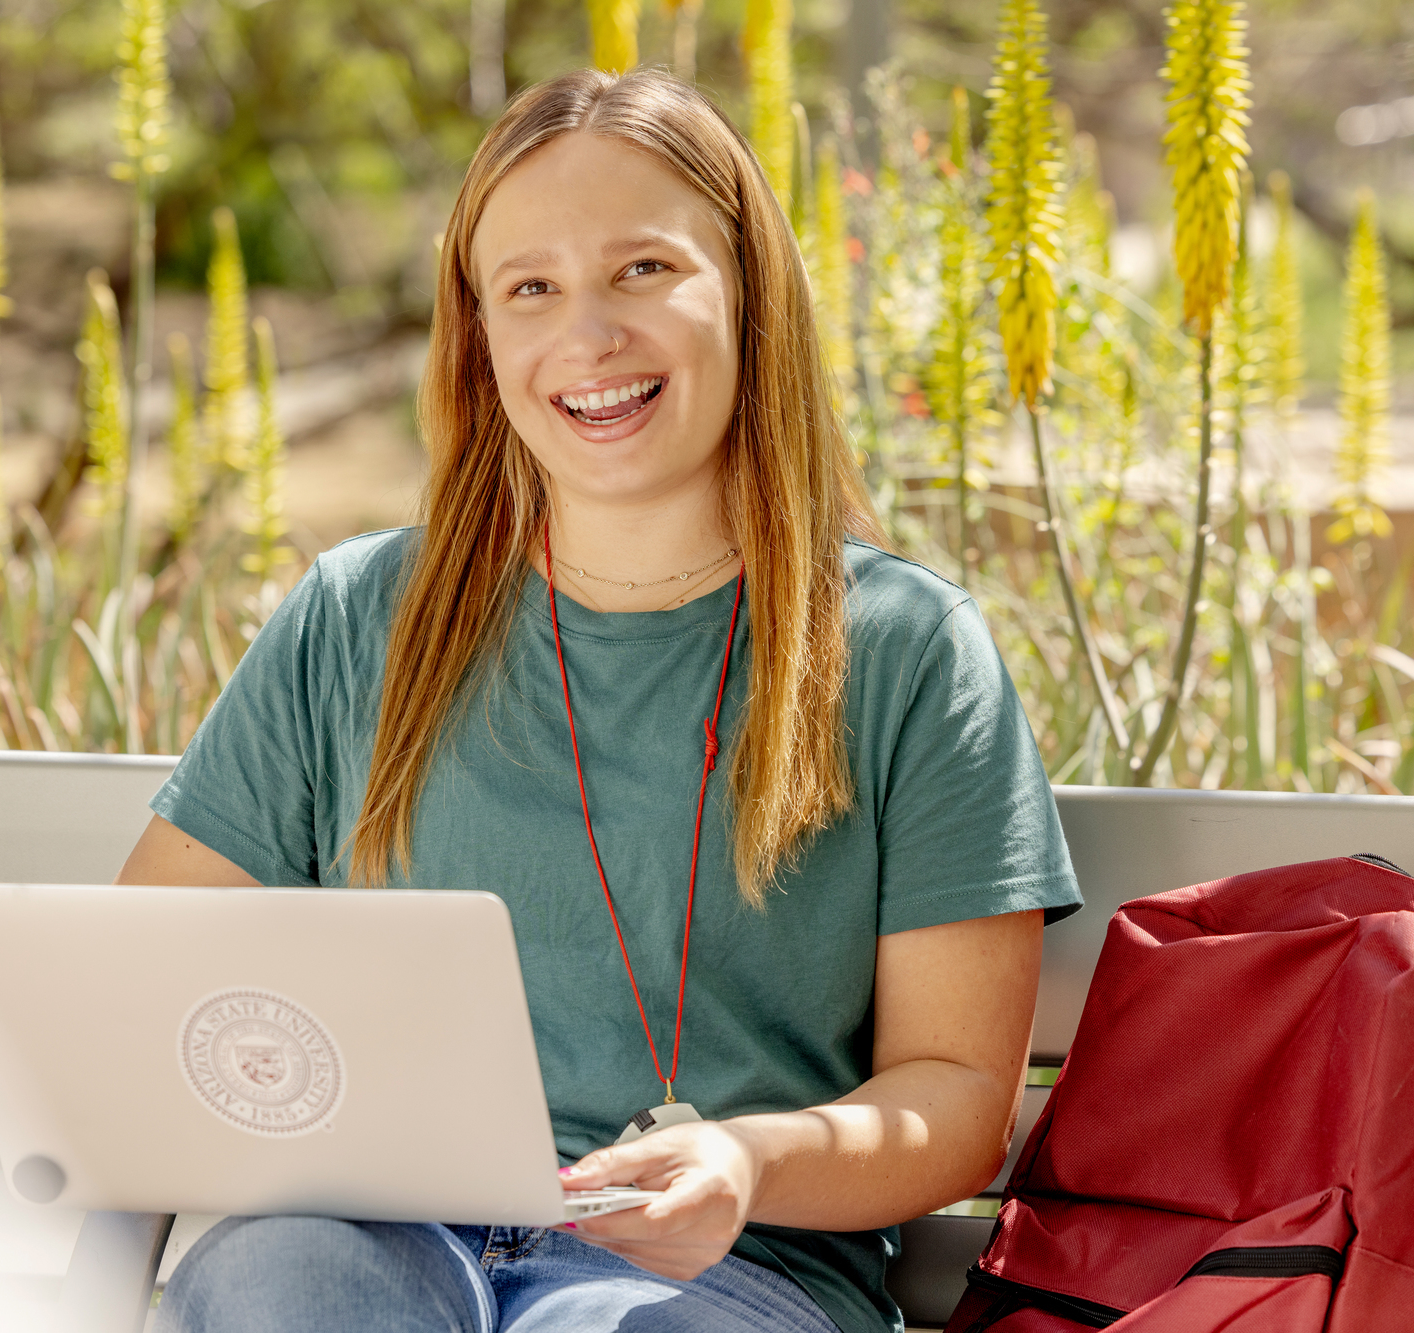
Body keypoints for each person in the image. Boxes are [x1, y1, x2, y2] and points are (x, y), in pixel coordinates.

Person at [119, 68, 1081, 1333]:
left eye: (642, 270)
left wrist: (750, 1162)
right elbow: (137, 989)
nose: (587, 338)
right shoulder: (356, 618)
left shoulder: (906, 650)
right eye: (530, 288)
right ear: (480, 337)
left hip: (723, 1277)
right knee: (281, 1275)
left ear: (747, 294)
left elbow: (956, 1093)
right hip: (378, 1241)